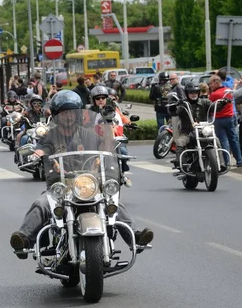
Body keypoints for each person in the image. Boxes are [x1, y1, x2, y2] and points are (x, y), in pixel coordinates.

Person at [8, 90, 153, 259]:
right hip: (61, 185)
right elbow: (41, 148)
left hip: (88, 182)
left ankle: (135, 237)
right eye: (64, 113)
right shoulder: (51, 135)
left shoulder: (87, 134)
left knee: (112, 201)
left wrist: (108, 132)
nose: (68, 116)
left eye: (72, 112)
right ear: (56, 115)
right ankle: (25, 240)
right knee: (42, 203)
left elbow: (105, 146)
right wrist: (36, 155)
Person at [170, 82, 213, 170]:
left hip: (203, 132)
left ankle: (221, 163)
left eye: (195, 92)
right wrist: (173, 107)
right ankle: (181, 164)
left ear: (198, 93)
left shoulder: (204, 101)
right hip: (187, 133)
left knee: (216, 140)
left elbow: (214, 107)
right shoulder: (183, 104)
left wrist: (222, 103)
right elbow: (174, 112)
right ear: (187, 93)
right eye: (191, 93)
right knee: (180, 142)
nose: (194, 94)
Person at [208, 75, 242, 167]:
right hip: (230, 117)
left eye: (211, 83)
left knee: (223, 141)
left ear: (216, 82)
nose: (210, 85)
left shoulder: (214, 94)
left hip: (219, 119)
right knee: (234, 139)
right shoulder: (228, 90)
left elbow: (209, 105)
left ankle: (226, 162)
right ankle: (239, 160)